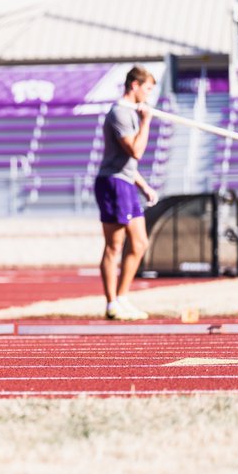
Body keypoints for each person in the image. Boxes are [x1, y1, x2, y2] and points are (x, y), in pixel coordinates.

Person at [95, 65, 159, 321]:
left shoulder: (131, 111)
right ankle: (111, 303)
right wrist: (146, 122)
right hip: (112, 183)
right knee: (115, 246)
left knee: (140, 242)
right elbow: (136, 151)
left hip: (126, 182)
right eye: (147, 88)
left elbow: (129, 163)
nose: (149, 95)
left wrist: (143, 186)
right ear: (135, 85)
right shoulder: (120, 113)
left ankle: (122, 298)